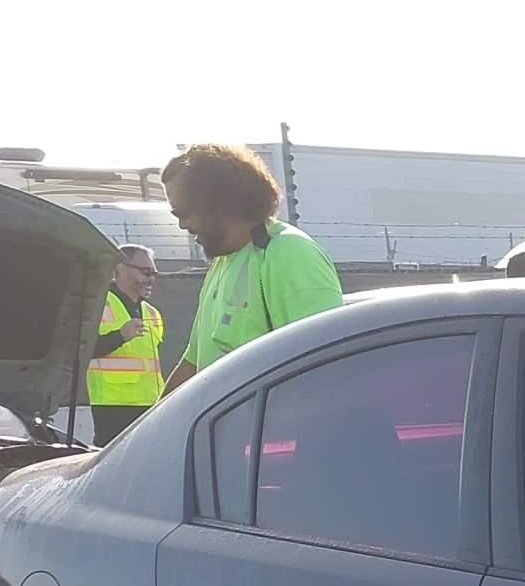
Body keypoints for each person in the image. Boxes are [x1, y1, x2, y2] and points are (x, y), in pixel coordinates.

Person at [159, 143, 343, 391]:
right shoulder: (223, 262)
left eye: (183, 212)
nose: (182, 225)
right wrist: (150, 424)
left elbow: (323, 370)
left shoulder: (289, 254)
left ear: (219, 202)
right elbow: (193, 363)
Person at [87, 245, 165, 445]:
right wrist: (120, 336)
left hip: (152, 404)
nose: (151, 278)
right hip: (113, 405)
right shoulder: (97, 305)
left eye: (154, 273)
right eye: (146, 272)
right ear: (120, 268)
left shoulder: (152, 313)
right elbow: (82, 350)